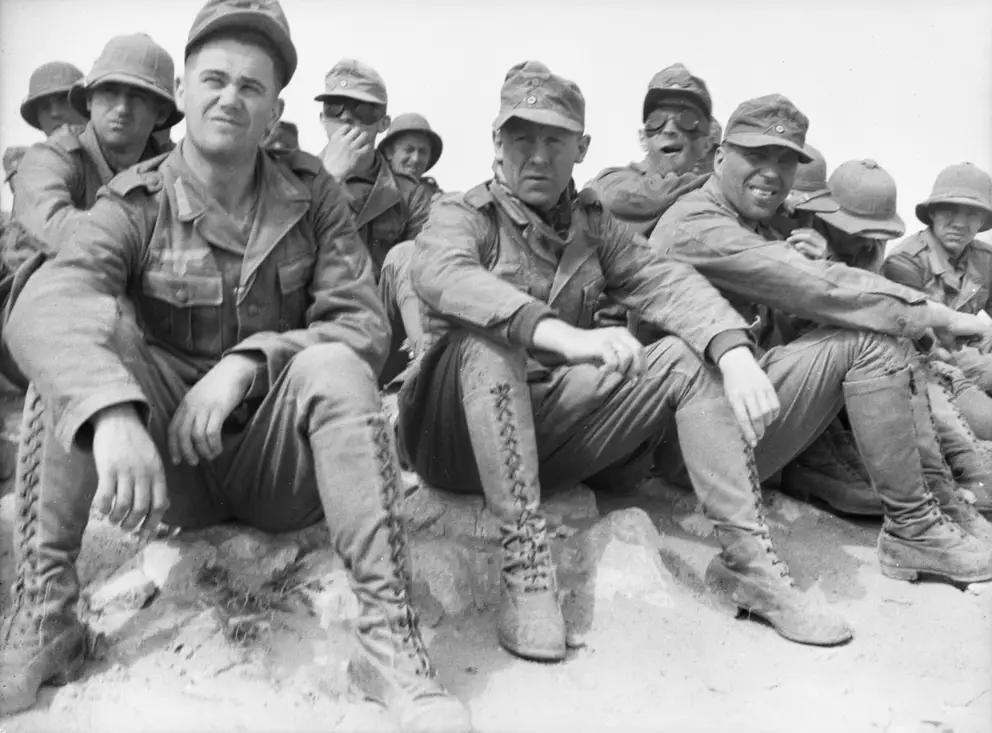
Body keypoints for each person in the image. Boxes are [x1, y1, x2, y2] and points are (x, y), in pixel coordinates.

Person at [0, 1, 472, 730]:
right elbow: (45, 302)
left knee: (338, 368)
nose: (230, 97)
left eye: (251, 87)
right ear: (182, 96)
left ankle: (387, 637)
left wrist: (249, 362)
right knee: (76, 349)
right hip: (170, 472)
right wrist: (108, 406)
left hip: (277, 464)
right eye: (213, 79)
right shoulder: (134, 201)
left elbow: (361, 325)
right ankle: (46, 615)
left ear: (274, 108)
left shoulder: (314, 197)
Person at [399, 60, 854, 658]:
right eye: (521, 138)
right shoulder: (465, 214)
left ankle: (752, 569)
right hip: (451, 437)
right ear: (496, 141)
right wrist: (557, 334)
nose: (536, 155)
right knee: (489, 340)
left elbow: (663, 280)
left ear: (581, 147)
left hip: (546, 431)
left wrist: (733, 349)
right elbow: (440, 272)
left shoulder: (594, 225)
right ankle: (526, 564)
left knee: (685, 357)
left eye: (554, 140)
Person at [649, 95, 992, 587]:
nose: (772, 172)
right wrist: (936, 314)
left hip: (732, 421)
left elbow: (802, 306)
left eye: (785, 159)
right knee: (874, 336)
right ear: (720, 156)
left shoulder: (759, 224)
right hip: (688, 444)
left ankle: (935, 500)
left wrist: (824, 261)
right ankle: (915, 524)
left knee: (877, 329)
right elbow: (820, 289)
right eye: (757, 155)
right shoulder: (698, 223)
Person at [7, 34, 181, 268]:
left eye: (138, 97)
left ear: (160, 114)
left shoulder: (173, 165)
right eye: (109, 91)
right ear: (89, 100)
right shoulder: (51, 156)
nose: (121, 108)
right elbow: (52, 228)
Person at [315, 60, 434, 385]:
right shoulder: (290, 181)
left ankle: (425, 367)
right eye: (335, 107)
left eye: (362, 110)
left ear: (383, 122)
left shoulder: (410, 194)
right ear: (321, 118)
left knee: (409, 254)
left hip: (382, 324)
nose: (347, 117)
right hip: (315, 326)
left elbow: (424, 271)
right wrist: (328, 180)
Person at [884, 164, 992, 442]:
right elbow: (920, 340)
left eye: (972, 213)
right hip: (928, 371)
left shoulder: (986, 259)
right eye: (950, 210)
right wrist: (979, 364)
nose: (959, 222)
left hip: (974, 361)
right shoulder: (906, 261)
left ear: (982, 222)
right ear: (932, 213)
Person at [588, 63, 712, 237]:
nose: (669, 130)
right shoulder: (611, 182)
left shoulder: (712, 197)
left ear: (705, 144)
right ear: (643, 138)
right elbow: (647, 198)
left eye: (686, 120)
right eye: (657, 120)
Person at [4, 62, 88, 200]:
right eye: (44, 107)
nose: (55, 113)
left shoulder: (118, 152)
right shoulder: (31, 165)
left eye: (63, 101)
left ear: (86, 104)